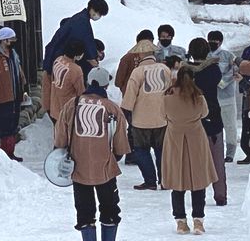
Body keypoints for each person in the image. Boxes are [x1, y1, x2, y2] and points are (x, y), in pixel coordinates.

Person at [55, 67, 130, 241]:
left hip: (78, 167)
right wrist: (117, 155)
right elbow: (120, 142)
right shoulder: (111, 108)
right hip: (105, 169)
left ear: (88, 82)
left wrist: (61, 150)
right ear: (105, 84)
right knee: (110, 209)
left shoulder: (72, 104)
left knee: (85, 212)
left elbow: (60, 136)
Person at [162, 66, 218, 235]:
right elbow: (205, 113)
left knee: (177, 181)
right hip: (196, 139)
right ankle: (198, 221)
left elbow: (162, 116)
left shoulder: (167, 98)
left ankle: (180, 222)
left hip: (174, 139)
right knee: (198, 181)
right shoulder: (198, 97)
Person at [42, 0, 109, 113]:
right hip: (67, 107)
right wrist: (91, 57)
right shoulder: (81, 22)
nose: (98, 16)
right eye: (99, 13)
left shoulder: (80, 19)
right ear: (92, 9)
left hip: (54, 63)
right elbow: (85, 40)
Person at [121, 40, 171, 190]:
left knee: (141, 150)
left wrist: (126, 111)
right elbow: (170, 91)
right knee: (161, 149)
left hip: (141, 119)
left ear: (141, 54)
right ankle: (165, 180)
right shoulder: (164, 69)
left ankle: (150, 181)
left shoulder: (137, 72)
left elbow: (130, 96)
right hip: (162, 117)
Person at [186, 38, 227, 206]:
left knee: (195, 161)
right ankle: (220, 195)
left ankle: (197, 194)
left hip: (192, 119)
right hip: (213, 117)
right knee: (217, 159)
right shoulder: (214, 70)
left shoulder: (186, 72)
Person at [0, 27, 27, 162]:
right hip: (3, 96)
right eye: (11, 39)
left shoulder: (13, 54)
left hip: (15, 96)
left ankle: (11, 152)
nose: (14, 41)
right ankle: (5, 154)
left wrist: (24, 90)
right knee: (5, 126)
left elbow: (19, 74)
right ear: (4, 40)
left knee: (13, 125)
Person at [114, 29, 155, 165]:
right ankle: (142, 154)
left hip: (130, 99)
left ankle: (132, 154)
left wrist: (126, 89)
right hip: (149, 99)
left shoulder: (127, 58)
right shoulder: (154, 60)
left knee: (133, 127)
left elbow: (118, 81)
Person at [207, 30, 239, 163]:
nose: (212, 43)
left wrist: (219, 82)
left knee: (230, 125)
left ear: (220, 42)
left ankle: (230, 152)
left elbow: (234, 72)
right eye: (210, 40)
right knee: (211, 126)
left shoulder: (228, 56)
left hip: (227, 97)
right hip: (210, 98)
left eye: (215, 41)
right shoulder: (205, 56)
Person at [48, 40, 86, 125]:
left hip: (55, 107)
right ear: (77, 55)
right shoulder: (76, 70)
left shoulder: (58, 60)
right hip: (68, 110)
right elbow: (81, 92)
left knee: (58, 135)